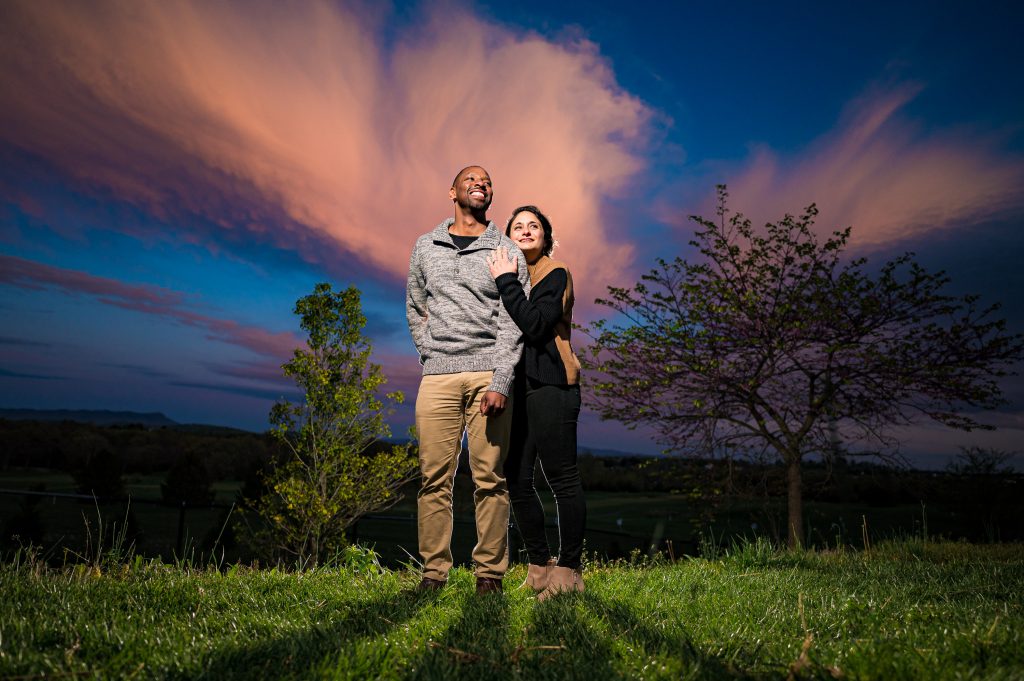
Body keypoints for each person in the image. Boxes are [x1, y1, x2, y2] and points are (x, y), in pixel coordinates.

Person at [405, 165, 529, 595]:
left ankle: (489, 574)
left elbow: (514, 320)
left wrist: (500, 379)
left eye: (488, 180)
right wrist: (429, 352)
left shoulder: (506, 248)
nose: (481, 183)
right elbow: (414, 305)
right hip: (436, 376)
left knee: (489, 478)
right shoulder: (425, 245)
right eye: (471, 178)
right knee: (432, 478)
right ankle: (433, 572)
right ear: (452, 190)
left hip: (486, 376)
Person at [487, 205, 586, 600]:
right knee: (517, 478)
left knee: (561, 478)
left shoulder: (554, 272)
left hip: (552, 384)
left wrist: (507, 281)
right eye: (518, 227)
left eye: (534, 226)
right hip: (517, 387)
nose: (526, 231)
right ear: (508, 236)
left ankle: (570, 570)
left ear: (545, 235)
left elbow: (536, 324)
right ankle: (540, 566)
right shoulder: (505, 274)